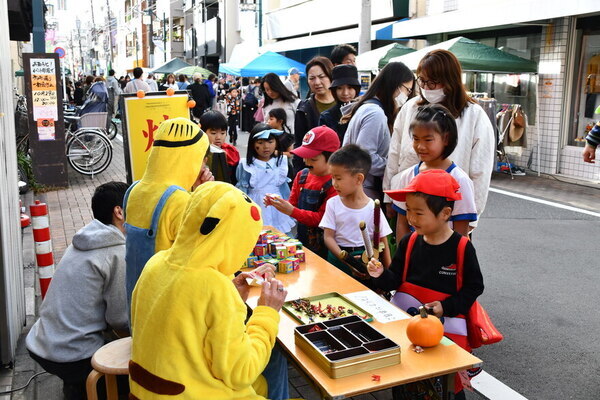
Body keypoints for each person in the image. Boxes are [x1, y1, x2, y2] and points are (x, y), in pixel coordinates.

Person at [129, 182, 289, 400]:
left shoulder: (156, 262)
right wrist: (267, 313)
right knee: (272, 359)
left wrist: (232, 293)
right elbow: (240, 372)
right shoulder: (215, 287)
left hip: (146, 390)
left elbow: (185, 319)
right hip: (195, 393)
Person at [368, 170, 484, 399]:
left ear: (445, 213)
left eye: (419, 212)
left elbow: (474, 287)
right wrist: (380, 274)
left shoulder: (461, 247)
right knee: (405, 379)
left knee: (446, 386)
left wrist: (446, 306)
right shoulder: (410, 241)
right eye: (409, 210)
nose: (411, 218)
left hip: (447, 331)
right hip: (409, 327)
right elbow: (395, 279)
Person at [26, 181, 129, 400]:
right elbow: (120, 319)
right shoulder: (117, 251)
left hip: (42, 340)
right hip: (71, 353)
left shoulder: (87, 238)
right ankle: (81, 389)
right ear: (119, 212)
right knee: (128, 376)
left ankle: (75, 389)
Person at [385, 50, 495, 221]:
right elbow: (394, 152)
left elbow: (481, 170)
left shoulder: (473, 115)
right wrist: (389, 196)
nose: (426, 88)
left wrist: (472, 215)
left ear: (450, 80)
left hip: (451, 211)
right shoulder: (410, 107)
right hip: (409, 203)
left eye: (433, 82)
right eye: (422, 81)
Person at [124, 118, 210, 308]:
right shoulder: (179, 200)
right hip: (167, 300)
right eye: (201, 158)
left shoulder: (135, 189)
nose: (203, 165)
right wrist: (203, 194)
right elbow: (198, 255)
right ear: (189, 157)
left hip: (137, 295)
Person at [392, 104, 477, 239]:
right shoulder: (407, 176)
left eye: (428, 140)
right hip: (414, 256)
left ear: (446, 139)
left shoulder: (460, 180)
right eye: (416, 139)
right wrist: (403, 256)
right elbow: (402, 224)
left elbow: (461, 232)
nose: (420, 146)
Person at [319, 144, 392, 285]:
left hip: (365, 261)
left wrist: (388, 275)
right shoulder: (333, 203)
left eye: (338, 178)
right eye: (332, 178)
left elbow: (383, 242)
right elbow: (328, 237)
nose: (334, 183)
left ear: (359, 179)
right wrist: (346, 261)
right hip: (337, 260)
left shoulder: (373, 206)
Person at [343, 62, 415, 200]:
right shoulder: (375, 113)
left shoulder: (368, 108)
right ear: (395, 85)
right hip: (365, 190)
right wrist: (394, 165)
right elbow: (364, 157)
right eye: (407, 90)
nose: (407, 95)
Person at [269, 126, 339, 257]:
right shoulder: (302, 175)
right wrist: (277, 203)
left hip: (325, 245)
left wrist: (291, 210)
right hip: (302, 238)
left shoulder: (336, 184)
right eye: (304, 157)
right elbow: (293, 204)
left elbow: (322, 219)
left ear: (332, 158)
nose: (306, 162)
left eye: (313, 159)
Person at [236, 124, 294, 234]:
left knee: (281, 236)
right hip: (257, 204)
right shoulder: (247, 165)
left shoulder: (281, 161)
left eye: (270, 142)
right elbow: (242, 190)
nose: (266, 146)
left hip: (277, 205)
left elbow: (285, 188)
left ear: (276, 142)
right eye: (260, 143)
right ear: (253, 144)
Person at [293, 56, 335, 174]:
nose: (317, 82)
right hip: (315, 172)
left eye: (322, 77)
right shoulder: (304, 108)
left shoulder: (344, 105)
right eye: (312, 78)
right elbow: (299, 144)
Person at [319, 64, 361, 143]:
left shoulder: (365, 112)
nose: (345, 93)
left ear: (356, 89)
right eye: (339, 88)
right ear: (334, 91)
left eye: (350, 88)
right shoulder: (327, 117)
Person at [201, 110, 240, 184]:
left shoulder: (232, 152)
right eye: (213, 133)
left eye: (222, 133)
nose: (218, 137)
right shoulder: (197, 152)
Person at [261, 72, 298, 137]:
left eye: (272, 88)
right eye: (267, 90)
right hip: (273, 141)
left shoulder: (292, 101)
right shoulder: (266, 105)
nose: (270, 92)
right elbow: (265, 123)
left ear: (277, 86)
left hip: (292, 140)